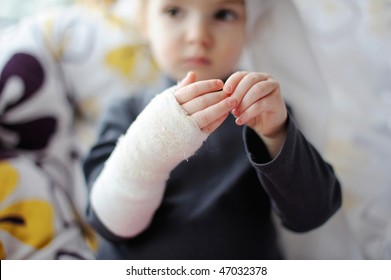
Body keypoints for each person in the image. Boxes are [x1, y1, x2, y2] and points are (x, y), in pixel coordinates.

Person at [83, 0, 342, 260]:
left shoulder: (265, 112)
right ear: (145, 23)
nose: (198, 36)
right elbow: (110, 225)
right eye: (173, 11)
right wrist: (152, 143)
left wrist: (275, 134)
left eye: (223, 14)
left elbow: (312, 214)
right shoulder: (125, 111)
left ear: (248, 28)